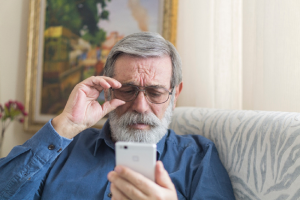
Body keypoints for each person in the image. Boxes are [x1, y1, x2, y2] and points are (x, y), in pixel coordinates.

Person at [0, 32, 235, 200]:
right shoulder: (64, 148)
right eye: (127, 90)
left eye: (155, 92)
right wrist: (65, 124)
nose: (141, 106)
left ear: (175, 94)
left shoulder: (198, 158)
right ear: (108, 90)